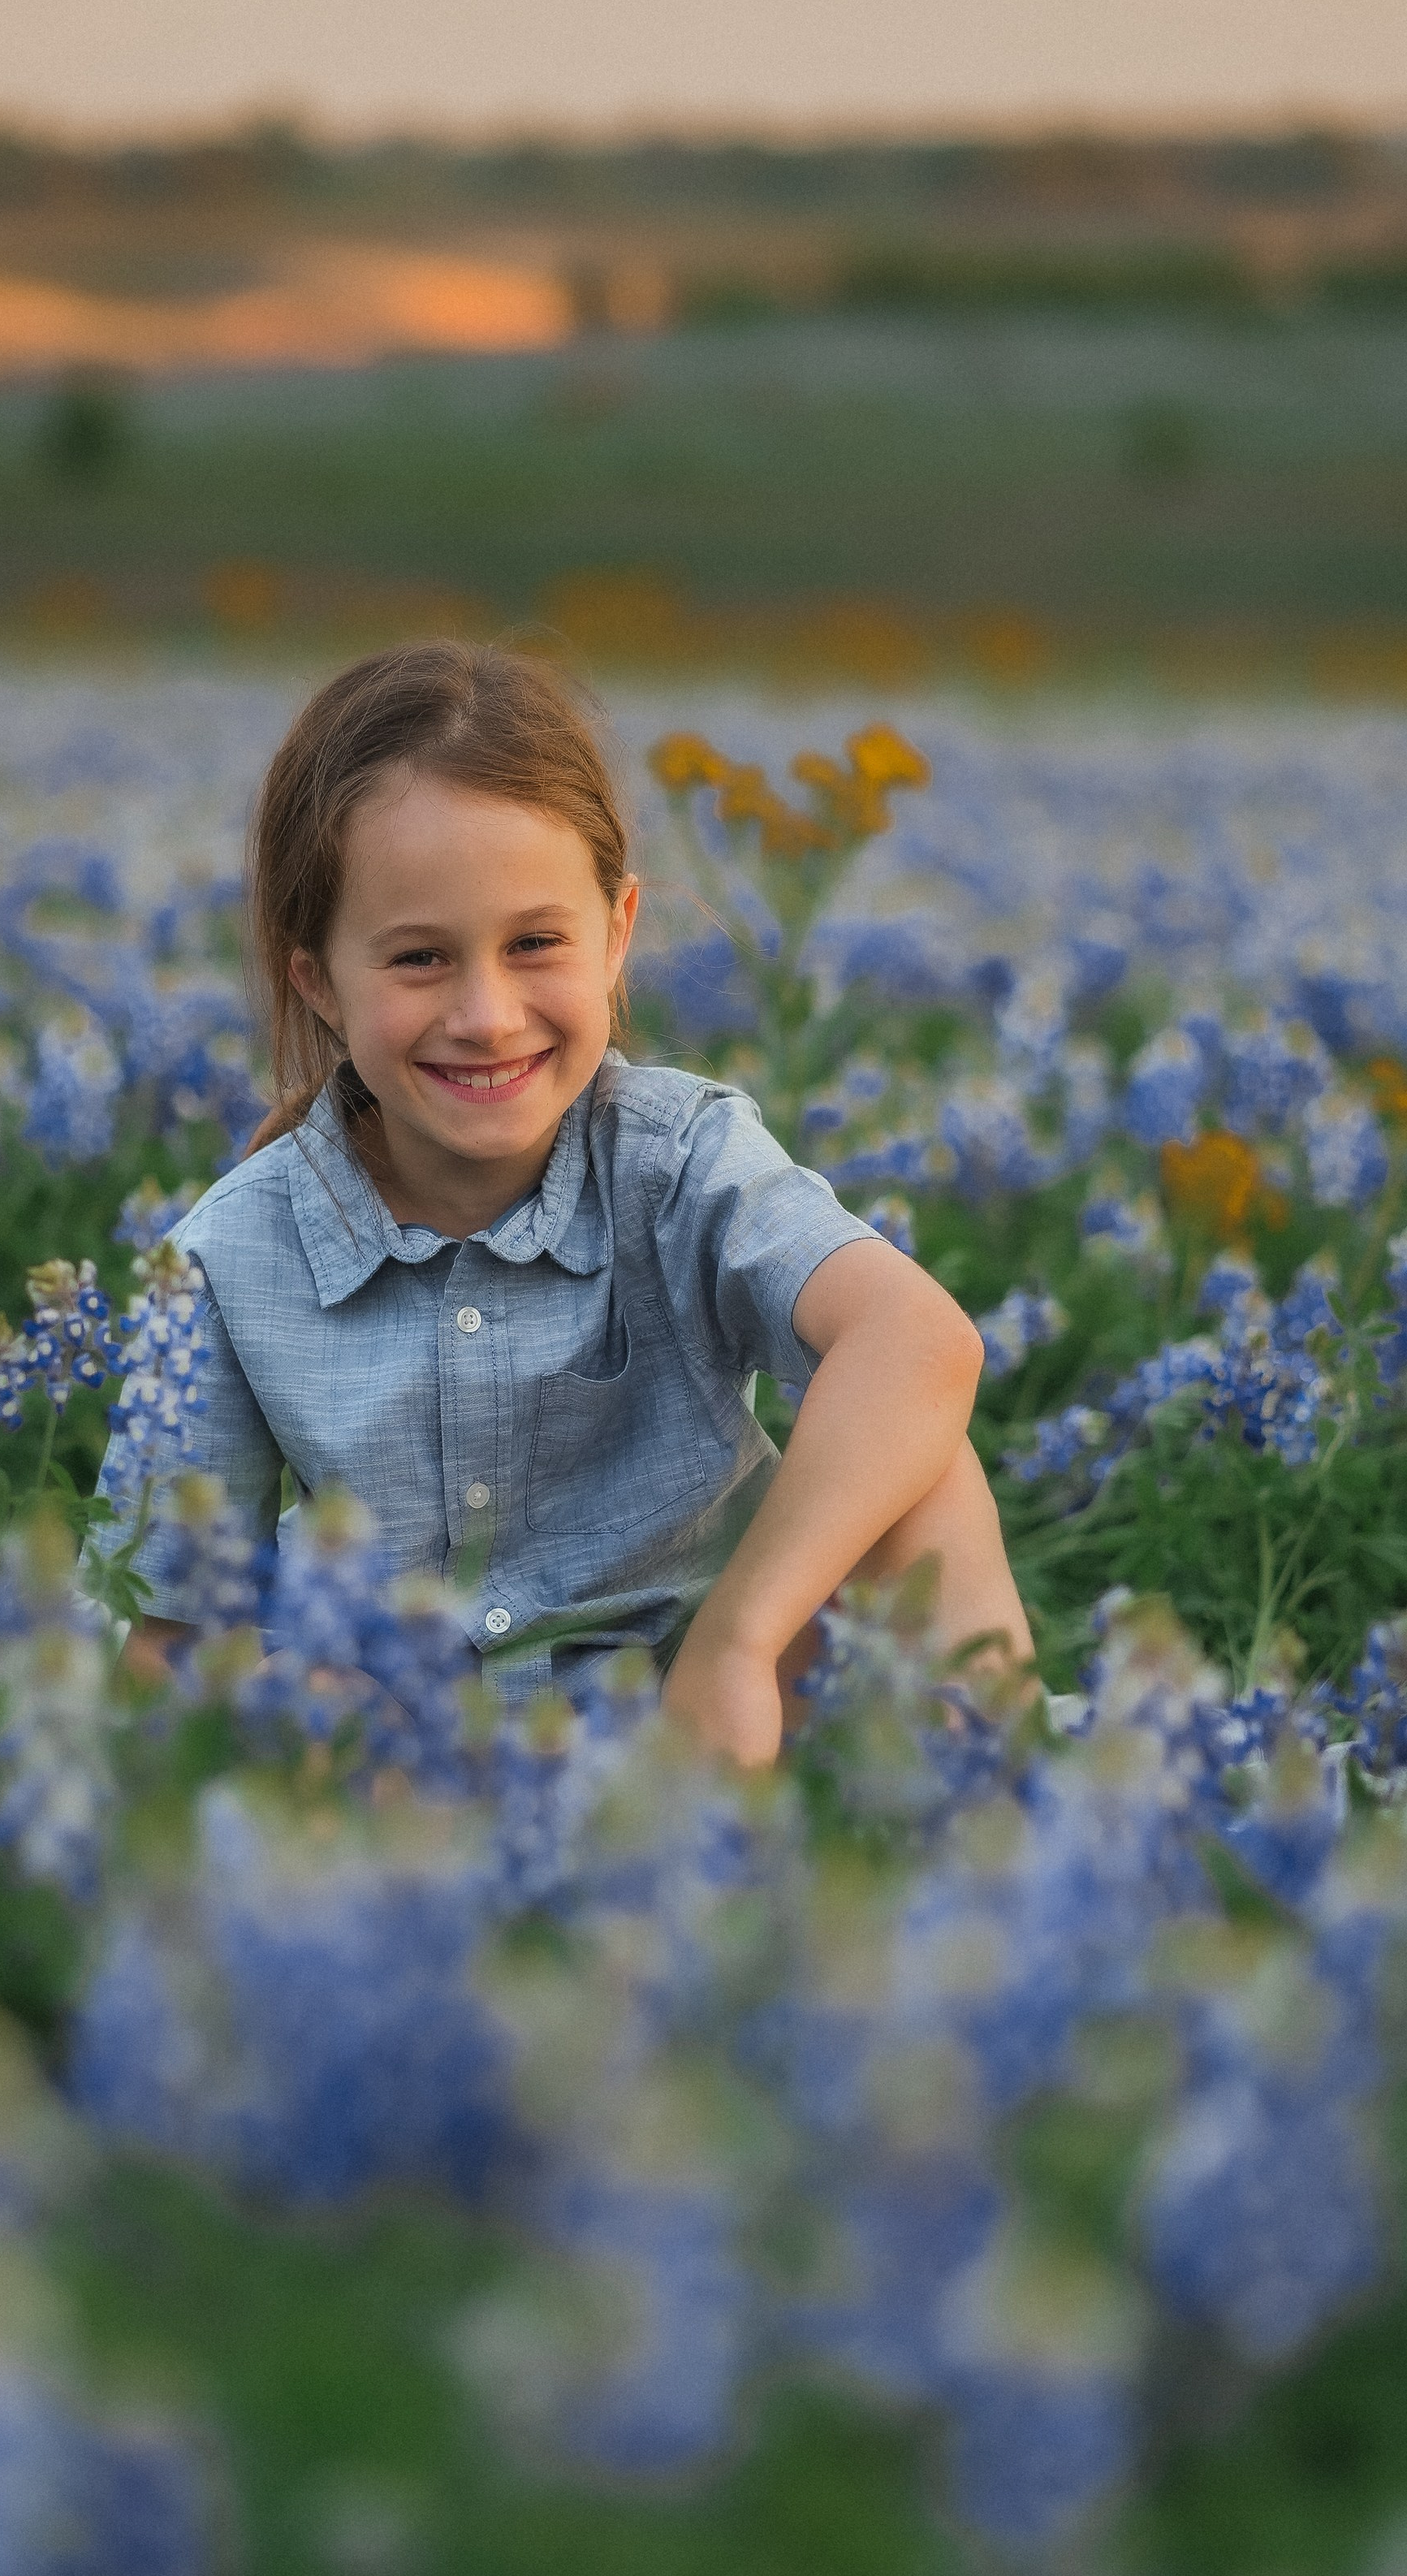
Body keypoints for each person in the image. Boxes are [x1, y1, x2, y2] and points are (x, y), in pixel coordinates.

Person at [99, 643, 1031, 1769]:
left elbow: (920, 1339)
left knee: (922, 1469)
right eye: (419, 958)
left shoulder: (677, 1157)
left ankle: (976, 1805)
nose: (488, 1015)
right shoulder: (232, 1254)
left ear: (618, 931)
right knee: (286, 1694)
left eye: (535, 943)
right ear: (319, 983)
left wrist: (738, 1641)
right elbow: (167, 1646)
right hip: (424, 1753)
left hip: (711, 1726)